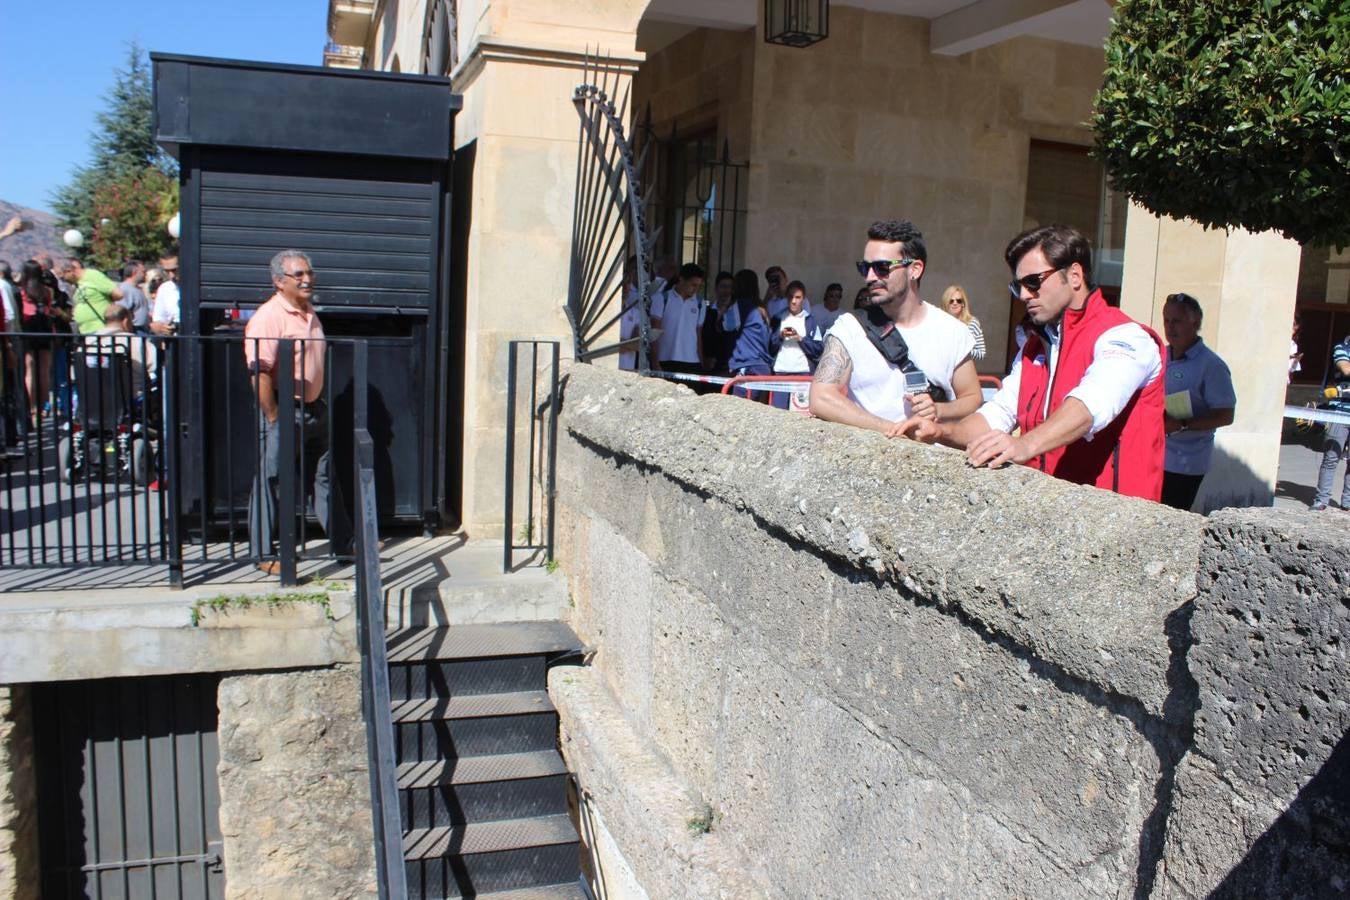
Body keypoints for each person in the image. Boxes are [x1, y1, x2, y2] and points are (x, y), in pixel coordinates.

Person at [901, 224, 1166, 501]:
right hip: (1050, 510)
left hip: (1116, 522)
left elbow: (1091, 404)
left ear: (1074, 276)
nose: (1024, 295)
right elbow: (998, 415)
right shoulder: (1034, 345)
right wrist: (940, 432)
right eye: (1018, 286)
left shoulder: (1125, 336)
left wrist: (1022, 446)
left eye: (1033, 282)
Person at [809, 220, 982, 433]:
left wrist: (938, 409)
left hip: (932, 458)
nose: (870, 277)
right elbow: (821, 397)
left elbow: (973, 397)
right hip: (868, 459)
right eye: (864, 267)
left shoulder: (953, 331)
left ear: (915, 269)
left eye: (882, 267)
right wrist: (894, 432)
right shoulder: (849, 327)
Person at [244, 250, 349, 575]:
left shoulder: (307, 310)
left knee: (325, 476)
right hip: (286, 409)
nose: (307, 279)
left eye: (309, 273)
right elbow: (259, 371)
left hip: (314, 409)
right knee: (272, 480)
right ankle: (263, 553)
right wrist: (274, 415)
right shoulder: (269, 316)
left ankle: (344, 544)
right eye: (299, 274)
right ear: (279, 281)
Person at [1158, 293, 1235, 511]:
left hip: (1186, 464)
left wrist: (1182, 424)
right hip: (1155, 455)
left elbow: (1226, 415)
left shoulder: (1211, 365)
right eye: (1167, 320)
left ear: (1195, 323)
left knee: (1170, 524)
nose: (1170, 327)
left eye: (1177, 321)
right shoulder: (1158, 356)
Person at [1311, 333, 1350, 512]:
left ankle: (1347, 502)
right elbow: (1346, 369)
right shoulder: (1342, 347)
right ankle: (1321, 500)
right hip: (1340, 413)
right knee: (1331, 457)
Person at [649, 263, 706, 375]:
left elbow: (698, 334)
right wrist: (655, 362)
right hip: (665, 359)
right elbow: (654, 332)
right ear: (681, 279)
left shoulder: (700, 303)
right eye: (693, 285)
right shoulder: (661, 298)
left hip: (692, 361)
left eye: (698, 286)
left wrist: (701, 362)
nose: (695, 289)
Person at [18, 260, 56, 426]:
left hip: (28, 328)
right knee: (44, 370)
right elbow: (49, 310)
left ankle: (32, 408)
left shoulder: (22, 292)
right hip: (44, 329)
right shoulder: (47, 291)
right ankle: (42, 408)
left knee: (29, 370)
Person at [726, 269, 774, 394]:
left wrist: (723, 309)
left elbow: (725, 325)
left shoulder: (740, 306)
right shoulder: (762, 309)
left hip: (748, 368)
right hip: (763, 368)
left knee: (741, 411)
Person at [62, 258, 124, 335]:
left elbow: (118, 294)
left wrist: (106, 303)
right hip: (84, 330)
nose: (63, 278)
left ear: (70, 270)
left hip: (99, 328)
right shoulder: (76, 284)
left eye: (64, 274)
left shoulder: (92, 275)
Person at [702, 271, 739, 375]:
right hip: (710, 366)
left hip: (731, 365)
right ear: (716, 288)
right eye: (723, 286)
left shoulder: (737, 311)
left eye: (730, 287)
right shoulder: (707, 311)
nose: (726, 290)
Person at [942, 284, 985, 361]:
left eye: (958, 300)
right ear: (946, 303)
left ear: (963, 304)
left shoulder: (972, 323)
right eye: (951, 301)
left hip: (963, 369)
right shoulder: (939, 323)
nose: (955, 303)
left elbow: (981, 353)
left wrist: (962, 351)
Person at [151, 252, 180, 335]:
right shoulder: (164, 288)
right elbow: (158, 319)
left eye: (174, 270)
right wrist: (159, 327)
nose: (171, 276)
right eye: (166, 271)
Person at [118, 260, 151, 334]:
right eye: (143, 272)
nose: (145, 275)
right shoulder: (125, 289)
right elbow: (122, 314)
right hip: (135, 330)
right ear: (134, 272)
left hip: (143, 329)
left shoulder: (136, 289)